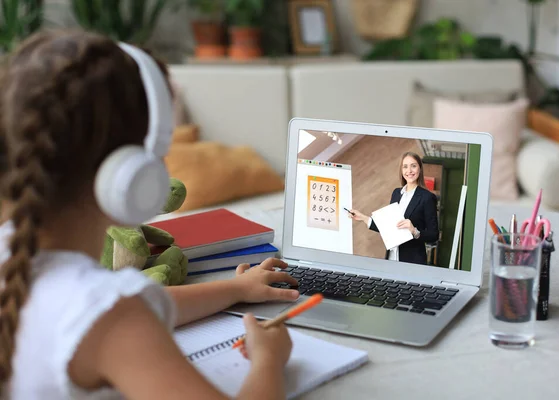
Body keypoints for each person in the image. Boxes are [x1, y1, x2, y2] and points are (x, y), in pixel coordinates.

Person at [0, 30, 299, 399]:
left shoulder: (28, 265)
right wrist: (269, 361)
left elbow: (139, 309)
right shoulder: (109, 316)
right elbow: (122, 317)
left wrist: (237, 289)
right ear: (133, 174)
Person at [349, 152, 439, 265]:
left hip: (412, 262)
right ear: (401, 171)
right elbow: (388, 227)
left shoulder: (427, 198)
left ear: (420, 169)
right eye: (405, 166)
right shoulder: (396, 193)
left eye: (413, 166)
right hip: (391, 258)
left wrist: (414, 231)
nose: (409, 170)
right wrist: (363, 217)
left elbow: (433, 235)